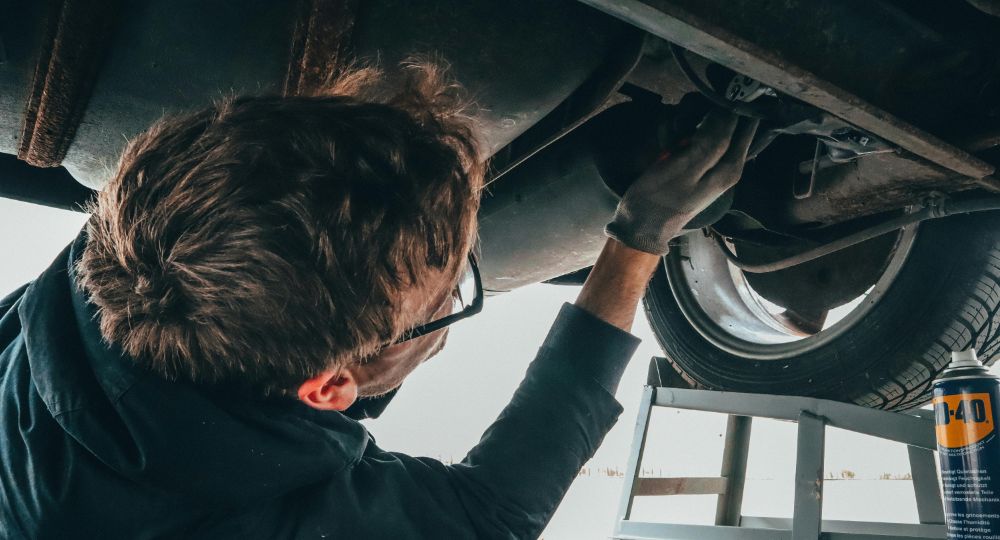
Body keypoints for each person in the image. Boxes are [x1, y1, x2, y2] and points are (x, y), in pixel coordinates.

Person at [0, 63, 756, 539]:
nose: (455, 294)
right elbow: (490, 514)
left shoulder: (145, 229)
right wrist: (636, 240)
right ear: (328, 386)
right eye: (450, 294)